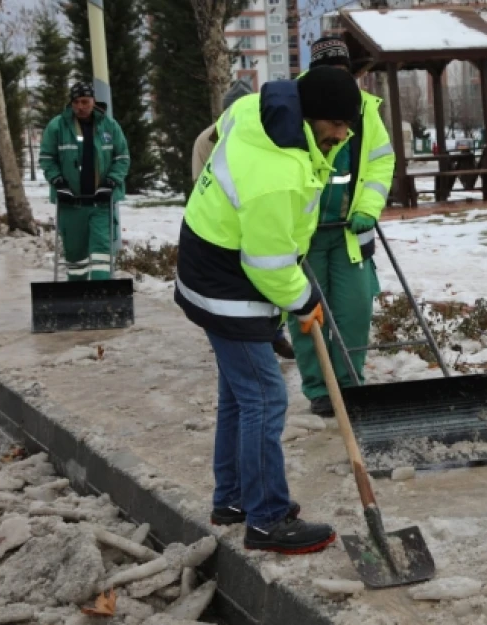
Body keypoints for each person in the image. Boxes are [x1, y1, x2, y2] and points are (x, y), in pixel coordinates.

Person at [174, 66, 361, 554]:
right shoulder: (278, 172)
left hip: (211, 257)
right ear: (314, 114)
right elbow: (270, 264)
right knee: (264, 397)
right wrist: (305, 301)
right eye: (338, 124)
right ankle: (266, 518)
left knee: (240, 395)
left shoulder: (255, 109)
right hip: (227, 280)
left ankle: (233, 498)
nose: (343, 134)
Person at [288, 37, 394, 417]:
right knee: (308, 314)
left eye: (342, 74)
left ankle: (350, 386)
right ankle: (320, 389)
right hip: (308, 233)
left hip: (350, 231)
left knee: (354, 311)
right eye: (327, 74)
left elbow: (381, 162)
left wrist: (368, 207)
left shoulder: (366, 109)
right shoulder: (294, 107)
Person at [189, 81, 299, 360]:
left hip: (256, 221)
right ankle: (243, 339)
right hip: (224, 229)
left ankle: (273, 333)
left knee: (266, 280)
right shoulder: (206, 140)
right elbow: (202, 185)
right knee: (238, 295)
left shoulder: (263, 137)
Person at [38, 82, 131, 280]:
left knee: (101, 254)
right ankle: (77, 298)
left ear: (93, 101)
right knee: (75, 257)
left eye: (85, 102)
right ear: (71, 103)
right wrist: (58, 183)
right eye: (76, 102)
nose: (81, 106)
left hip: (101, 204)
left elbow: (122, 158)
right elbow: (47, 158)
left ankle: (101, 299)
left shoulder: (110, 126)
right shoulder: (57, 126)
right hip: (72, 204)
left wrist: (111, 182)